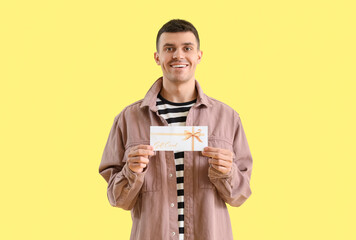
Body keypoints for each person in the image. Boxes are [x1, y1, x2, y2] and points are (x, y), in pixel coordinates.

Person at [99, 19, 253, 240]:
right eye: (169, 48)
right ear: (157, 57)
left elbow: (239, 196)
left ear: (199, 56)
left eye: (187, 48)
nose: (178, 55)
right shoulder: (128, 119)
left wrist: (227, 172)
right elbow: (118, 199)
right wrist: (131, 172)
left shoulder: (228, 118)